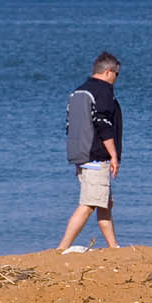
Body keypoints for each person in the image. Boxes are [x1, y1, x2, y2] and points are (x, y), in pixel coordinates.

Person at [58, 51, 124, 252]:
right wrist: (113, 155)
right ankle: (62, 247)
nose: (116, 79)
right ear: (107, 72)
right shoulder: (103, 91)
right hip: (96, 157)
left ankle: (113, 247)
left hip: (81, 156)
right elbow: (103, 125)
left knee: (104, 203)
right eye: (117, 74)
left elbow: (70, 126)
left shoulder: (78, 92)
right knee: (88, 205)